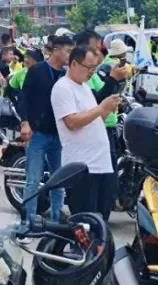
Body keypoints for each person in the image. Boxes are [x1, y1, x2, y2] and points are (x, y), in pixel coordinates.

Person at [51, 46, 122, 220]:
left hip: (101, 163)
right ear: (74, 64)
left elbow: (95, 121)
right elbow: (72, 122)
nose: (91, 72)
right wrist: (101, 108)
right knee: (85, 220)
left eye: (94, 68)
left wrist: (107, 109)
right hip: (82, 167)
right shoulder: (63, 87)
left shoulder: (84, 88)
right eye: (88, 67)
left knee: (101, 219)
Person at [17, 34, 75, 221]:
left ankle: (57, 219)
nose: (70, 55)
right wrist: (25, 122)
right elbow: (23, 98)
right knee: (33, 180)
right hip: (38, 134)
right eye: (68, 51)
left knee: (59, 180)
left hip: (59, 134)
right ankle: (29, 220)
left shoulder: (67, 75)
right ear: (56, 50)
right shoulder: (37, 71)